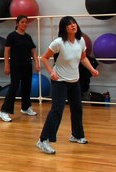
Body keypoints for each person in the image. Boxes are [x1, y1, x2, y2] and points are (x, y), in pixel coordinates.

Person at [36, 16, 98, 155]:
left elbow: (82, 57)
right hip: (59, 82)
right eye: (69, 24)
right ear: (64, 28)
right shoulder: (58, 43)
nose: (73, 25)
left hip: (74, 81)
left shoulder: (80, 40)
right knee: (57, 111)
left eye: (74, 23)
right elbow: (44, 58)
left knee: (77, 109)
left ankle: (76, 135)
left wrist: (91, 69)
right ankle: (43, 140)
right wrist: (51, 72)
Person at [0, 15, 40, 122]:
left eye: (26, 22)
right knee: (14, 87)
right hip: (15, 66)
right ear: (17, 24)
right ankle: (4, 111)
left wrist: (37, 63)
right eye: (22, 22)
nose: (24, 24)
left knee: (27, 87)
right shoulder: (11, 36)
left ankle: (25, 107)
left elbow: (33, 51)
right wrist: (6, 65)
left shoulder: (28, 37)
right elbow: (6, 51)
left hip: (27, 66)